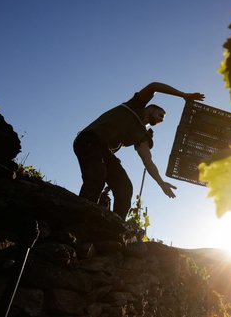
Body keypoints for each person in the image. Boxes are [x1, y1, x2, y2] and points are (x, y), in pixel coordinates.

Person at [73, 82, 204, 219]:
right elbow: (154, 86)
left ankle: (114, 227)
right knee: (97, 175)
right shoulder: (135, 105)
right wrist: (183, 95)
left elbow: (148, 161)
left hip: (105, 152)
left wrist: (161, 183)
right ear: (150, 109)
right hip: (89, 140)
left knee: (125, 187)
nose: (161, 119)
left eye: (162, 118)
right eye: (161, 114)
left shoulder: (142, 135)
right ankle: (80, 217)